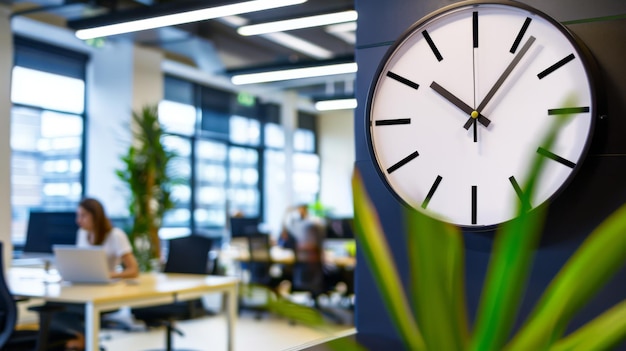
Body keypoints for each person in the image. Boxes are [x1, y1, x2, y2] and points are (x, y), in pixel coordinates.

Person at [57, 197, 139, 350]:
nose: (78, 220)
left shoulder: (115, 235)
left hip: (106, 292)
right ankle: (81, 338)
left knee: (67, 308)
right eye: (78, 215)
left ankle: (85, 340)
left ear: (96, 216)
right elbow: (80, 263)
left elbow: (133, 270)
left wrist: (109, 274)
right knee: (52, 306)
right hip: (83, 289)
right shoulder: (82, 233)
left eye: (83, 216)